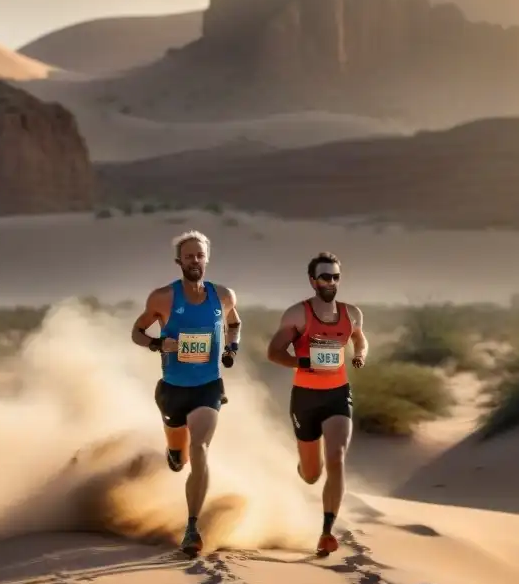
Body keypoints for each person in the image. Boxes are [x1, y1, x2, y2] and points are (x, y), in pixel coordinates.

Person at [130, 230, 242, 556]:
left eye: (200, 255)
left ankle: (192, 527)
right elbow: (137, 331)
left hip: (208, 387)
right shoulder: (163, 298)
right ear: (179, 261)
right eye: (189, 256)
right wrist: (156, 343)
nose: (195, 261)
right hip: (173, 390)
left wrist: (231, 349)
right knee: (179, 458)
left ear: (207, 259)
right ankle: (173, 452)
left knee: (201, 449)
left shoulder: (224, 296)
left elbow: (234, 323)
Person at [265, 252, 368, 557]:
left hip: (337, 395)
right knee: (312, 473)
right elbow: (274, 352)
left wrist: (359, 354)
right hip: (305, 398)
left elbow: (360, 339)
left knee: (336, 458)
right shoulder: (298, 315)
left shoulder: (352, 314)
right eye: (325, 277)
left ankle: (326, 532)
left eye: (335, 276)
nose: (331, 282)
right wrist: (304, 360)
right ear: (312, 280)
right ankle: (306, 465)